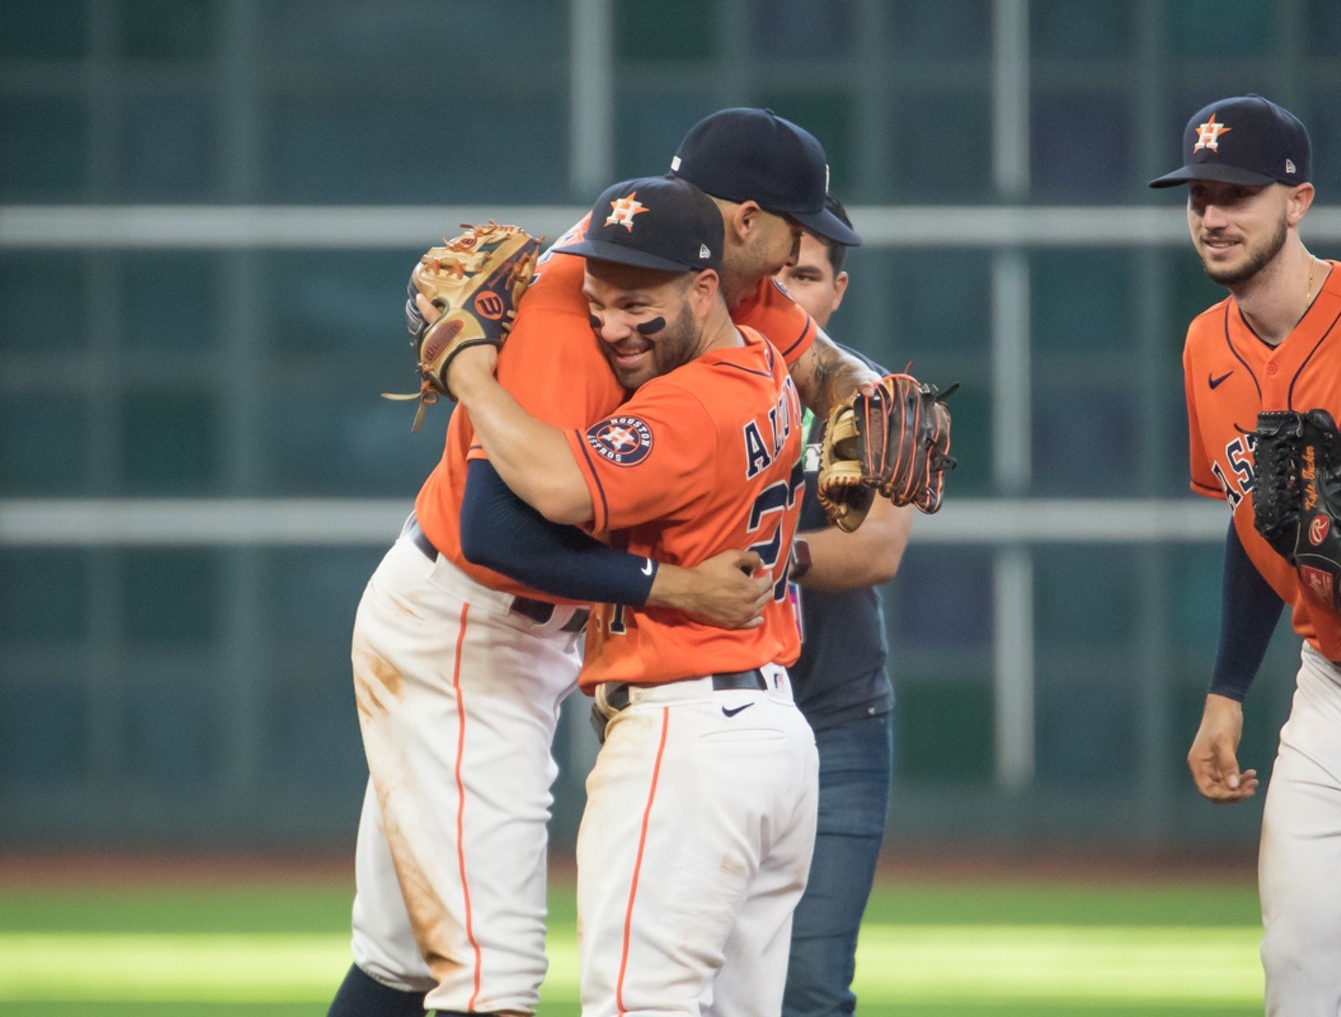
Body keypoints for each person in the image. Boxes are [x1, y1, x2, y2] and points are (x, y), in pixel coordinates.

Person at [331, 108, 880, 1017]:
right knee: (489, 979)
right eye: (793, 228)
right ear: (744, 223)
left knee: (400, 956)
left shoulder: (720, 291)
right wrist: (667, 585)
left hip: (551, 635)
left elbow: (830, 367)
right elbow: (497, 534)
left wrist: (877, 393)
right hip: (464, 628)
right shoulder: (583, 314)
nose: (796, 255)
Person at [449, 173, 818, 1017]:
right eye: (598, 301)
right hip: (771, 741)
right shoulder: (765, 366)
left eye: (636, 302)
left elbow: (549, 493)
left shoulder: (689, 406)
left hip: (688, 738)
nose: (612, 325)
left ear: (703, 286)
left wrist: (470, 373)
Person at [1153, 94, 1341, 1016]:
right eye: (1198, 197)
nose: (1212, 217)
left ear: (1297, 201)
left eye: (1237, 194)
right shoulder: (1202, 348)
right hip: (1333, 704)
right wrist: (1227, 689)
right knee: (1298, 979)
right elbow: (1251, 519)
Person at [774, 197, 915, 1017]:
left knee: (813, 987)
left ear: (838, 292)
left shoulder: (876, 400)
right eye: (777, 273)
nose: (789, 293)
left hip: (838, 716)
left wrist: (759, 558)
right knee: (699, 981)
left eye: (809, 276)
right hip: (698, 709)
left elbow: (876, 549)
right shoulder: (685, 385)